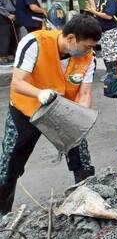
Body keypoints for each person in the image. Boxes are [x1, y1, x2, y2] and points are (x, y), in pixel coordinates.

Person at [0, 15, 102, 214]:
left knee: (81, 160)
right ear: (71, 39)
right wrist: (40, 93)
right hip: (27, 109)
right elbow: (18, 82)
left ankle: (86, 206)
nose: (89, 51)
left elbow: (85, 93)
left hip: (64, 112)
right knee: (10, 163)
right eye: (87, 46)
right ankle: (3, 215)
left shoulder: (88, 58)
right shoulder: (34, 43)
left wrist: (81, 118)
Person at [87, 0, 117, 75]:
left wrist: (94, 12)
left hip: (111, 31)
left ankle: (112, 75)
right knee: (106, 53)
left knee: (111, 53)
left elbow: (109, 16)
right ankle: (109, 74)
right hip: (105, 31)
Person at [0, 0, 16, 65]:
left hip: (12, 15)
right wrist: (8, 14)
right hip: (3, 16)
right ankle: (2, 56)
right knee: (4, 36)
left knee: (12, 35)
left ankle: (10, 55)